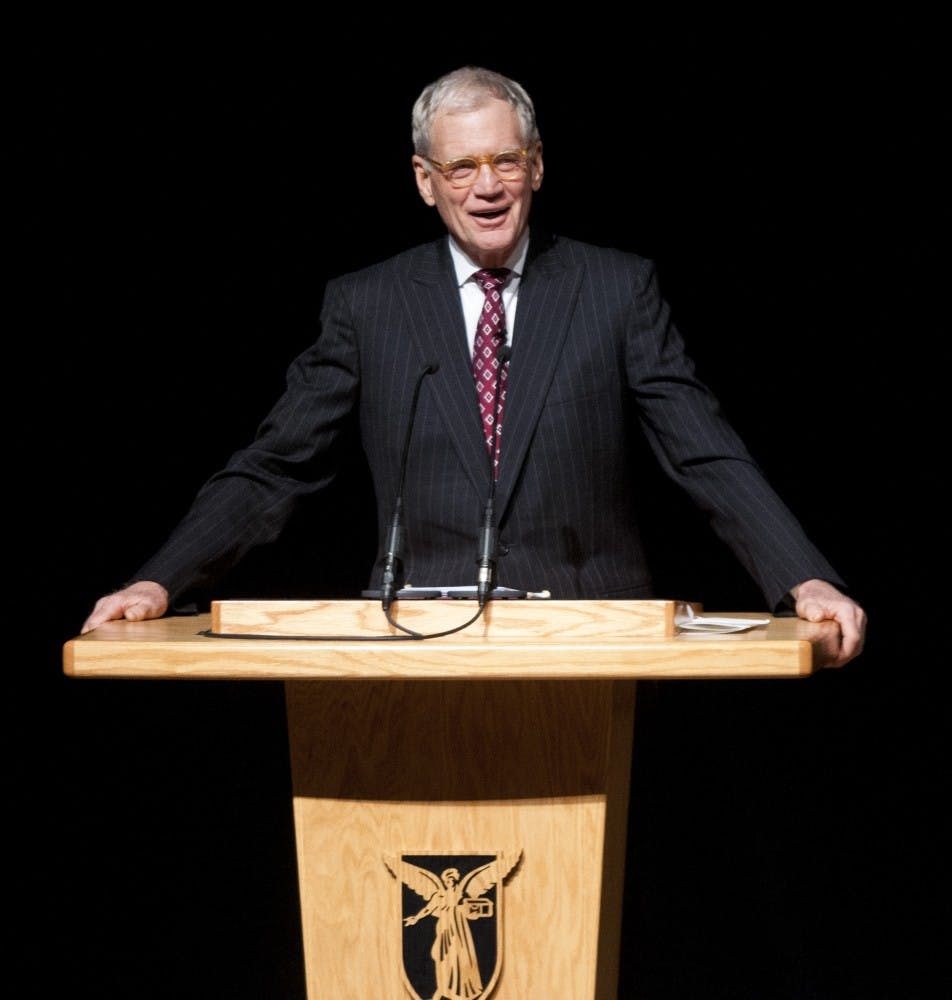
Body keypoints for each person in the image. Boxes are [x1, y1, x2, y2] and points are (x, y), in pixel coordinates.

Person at [80, 65, 866, 667]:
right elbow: (276, 467)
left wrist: (803, 578)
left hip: (588, 644)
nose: (487, 186)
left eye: (506, 161)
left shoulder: (616, 288)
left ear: (538, 166)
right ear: (426, 181)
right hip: (415, 642)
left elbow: (703, 450)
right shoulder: (369, 304)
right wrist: (160, 581)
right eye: (461, 168)